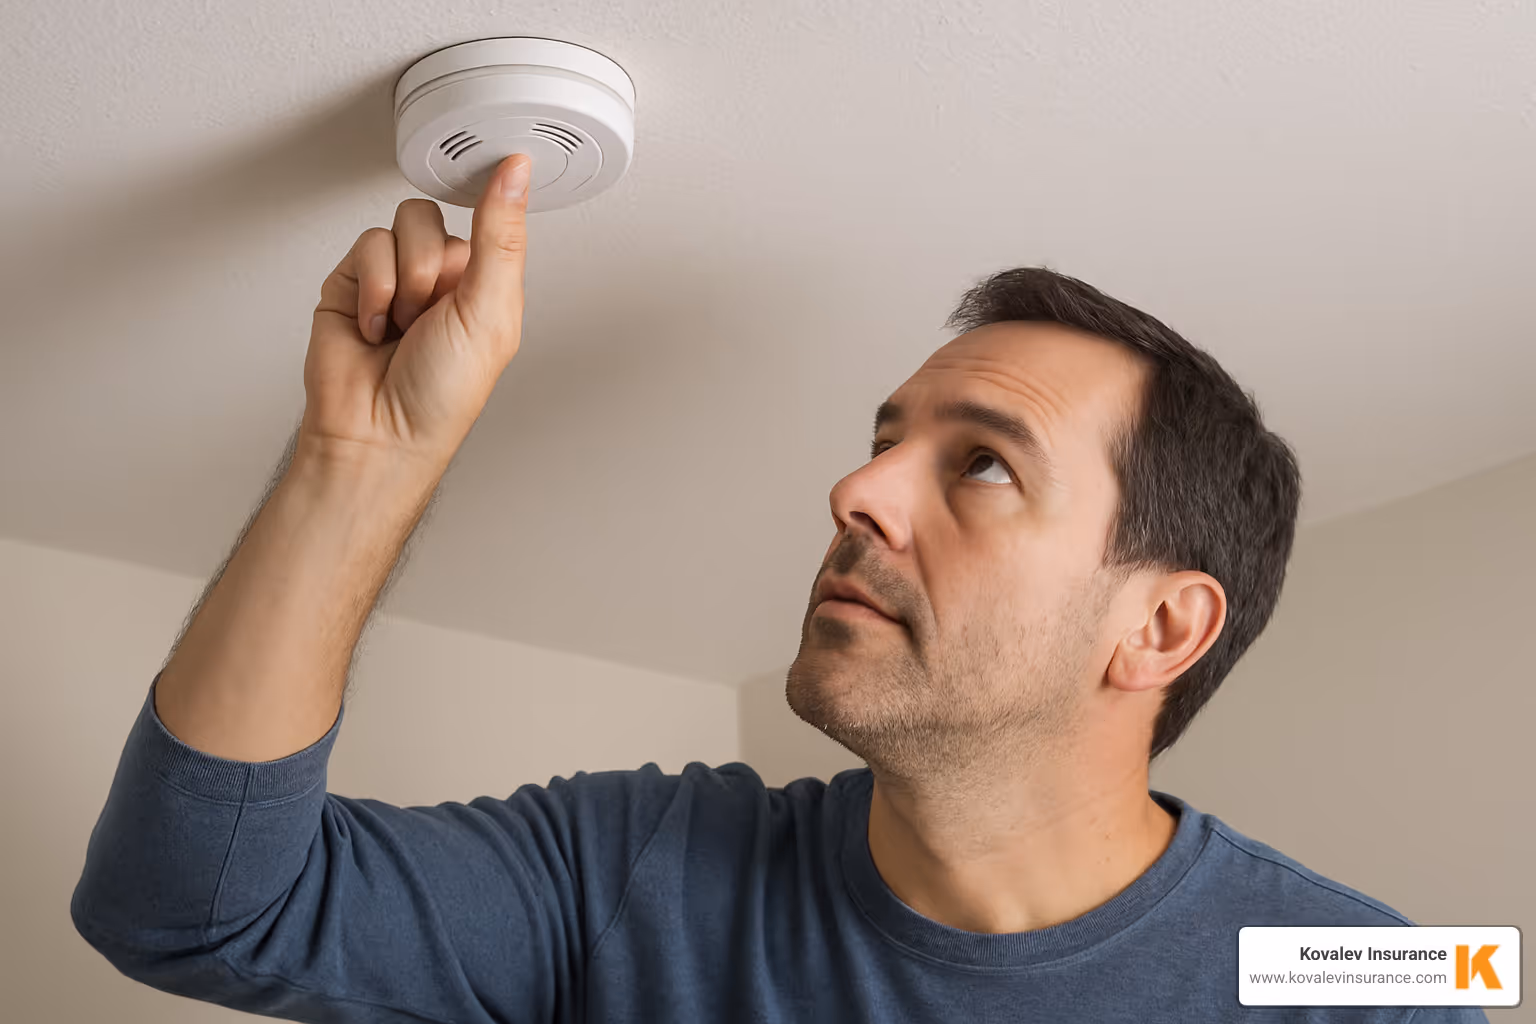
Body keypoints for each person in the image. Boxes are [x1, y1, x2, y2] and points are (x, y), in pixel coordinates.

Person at [71, 153, 1488, 1023]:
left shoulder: (1367, 980)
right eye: (885, 443)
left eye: (982, 466)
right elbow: (188, 905)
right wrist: (359, 458)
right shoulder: (637, 872)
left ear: (1160, 626)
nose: (858, 493)